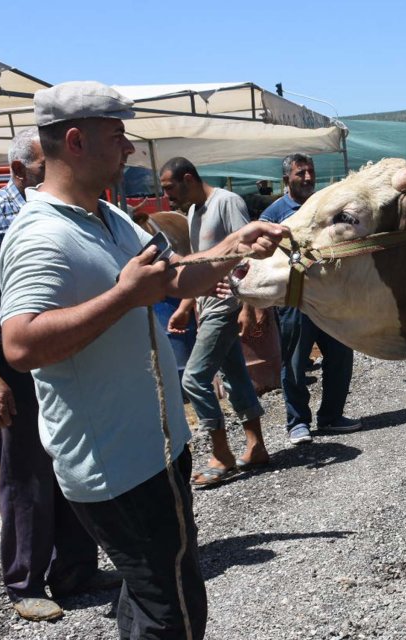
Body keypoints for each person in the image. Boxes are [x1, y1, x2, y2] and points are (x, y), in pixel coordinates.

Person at [0, 81, 288, 640]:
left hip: (153, 449)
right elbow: (21, 344)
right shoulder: (41, 234)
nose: (130, 149)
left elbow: (174, 276)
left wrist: (236, 247)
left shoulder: (108, 218)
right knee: (172, 611)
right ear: (77, 141)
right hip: (116, 466)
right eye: (118, 135)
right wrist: (124, 296)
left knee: (151, 593)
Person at [0, 127, 119, 622]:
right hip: (15, 363)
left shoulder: (69, 209)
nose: (62, 169)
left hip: (65, 354)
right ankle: (25, 582)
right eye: (48, 163)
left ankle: (78, 568)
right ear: (19, 170)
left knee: (75, 460)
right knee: (26, 475)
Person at [158, 156, 270, 488]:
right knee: (235, 375)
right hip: (206, 305)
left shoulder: (227, 202)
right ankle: (256, 447)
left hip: (226, 304)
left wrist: (248, 304)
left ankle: (221, 455)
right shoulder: (192, 213)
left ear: (188, 178)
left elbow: (247, 252)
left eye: (169, 188)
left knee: (193, 380)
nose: (167, 197)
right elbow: (202, 265)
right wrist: (184, 305)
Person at [259, 153, 362, 445]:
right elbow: (263, 259)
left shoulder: (324, 208)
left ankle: (331, 416)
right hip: (294, 300)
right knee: (294, 362)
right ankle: (298, 422)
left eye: (310, 172)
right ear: (285, 180)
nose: (307, 177)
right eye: (300, 173)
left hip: (330, 297)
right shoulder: (273, 215)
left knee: (341, 355)